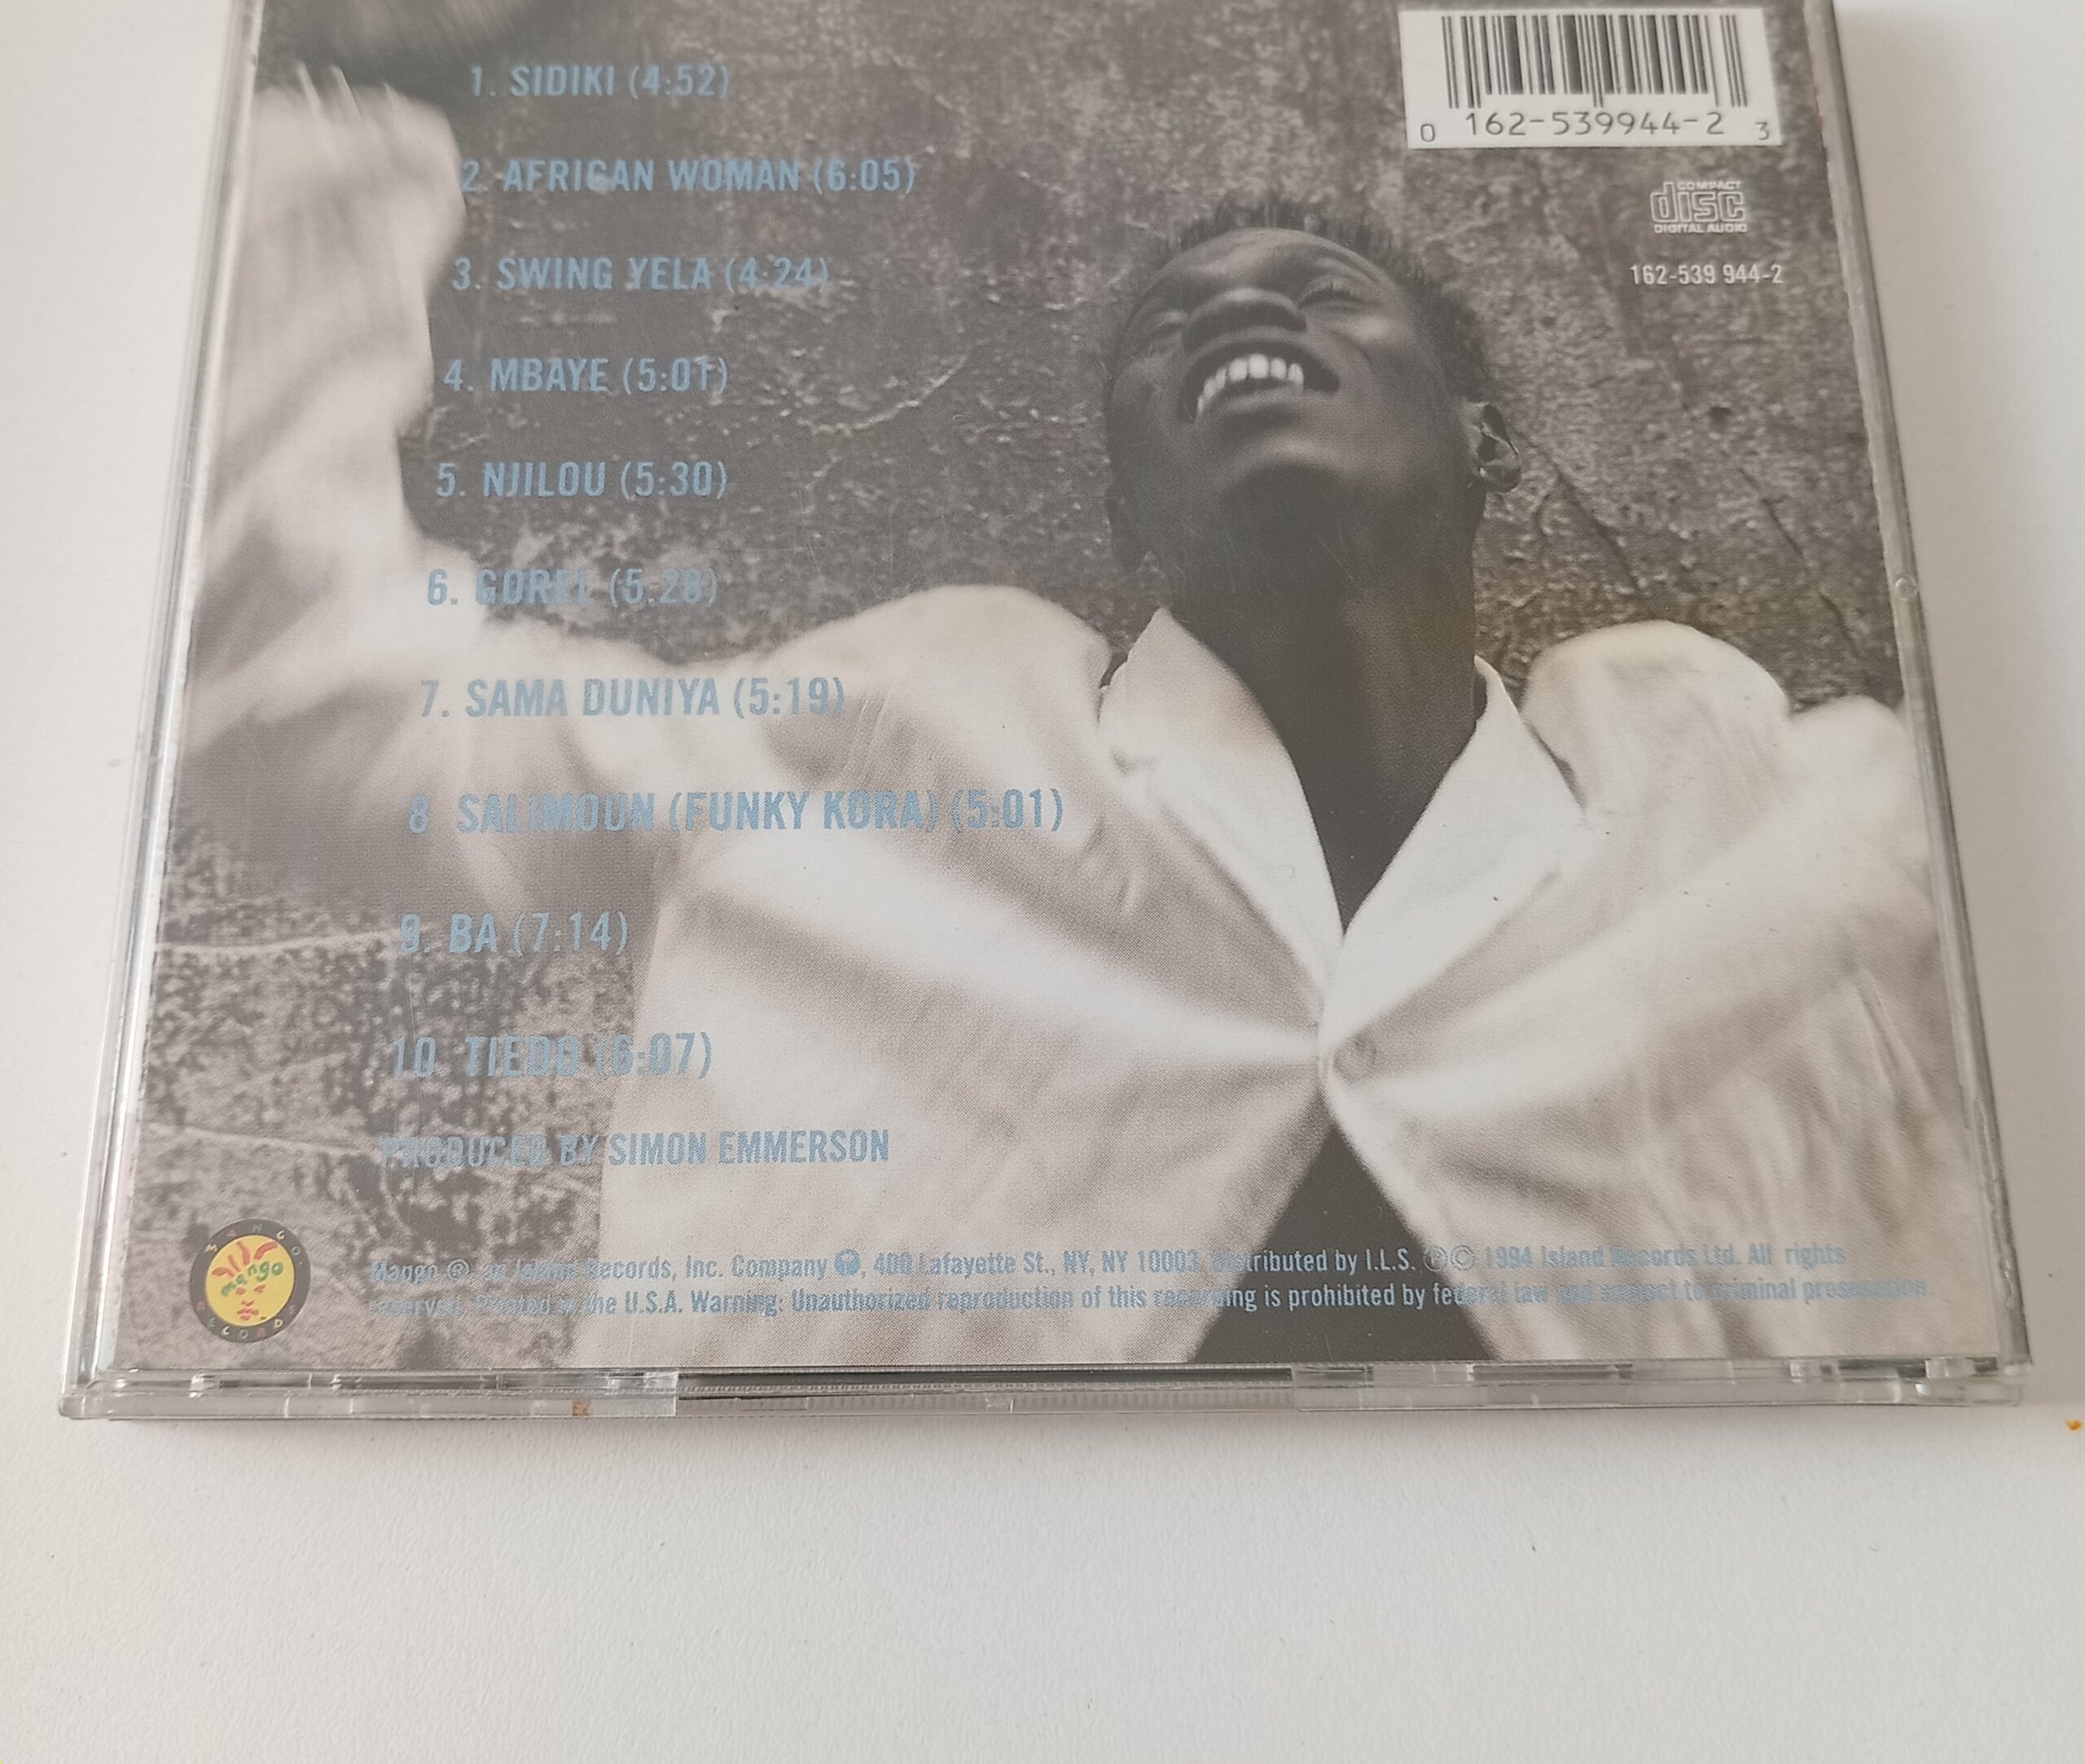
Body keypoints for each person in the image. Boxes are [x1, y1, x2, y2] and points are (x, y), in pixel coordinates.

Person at [186, 84, 1997, 1371]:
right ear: (1133, 514)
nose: (1239, 310)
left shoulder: (1772, 804)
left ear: (1483, 440)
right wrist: (323, 154)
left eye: (1323, 292)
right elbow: (347, 715)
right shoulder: (893, 728)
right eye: (1168, 328)